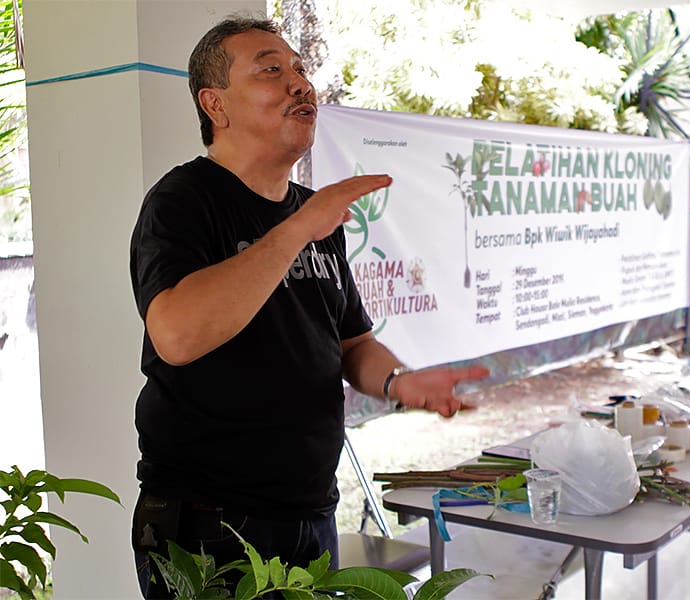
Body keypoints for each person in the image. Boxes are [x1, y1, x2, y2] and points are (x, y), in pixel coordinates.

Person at [129, 15, 489, 598]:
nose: (300, 83)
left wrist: (400, 381)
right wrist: (298, 229)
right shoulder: (183, 201)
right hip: (208, 525)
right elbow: (176, 334)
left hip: (311, 515)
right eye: (271, 70)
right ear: (214, 105)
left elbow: (352, 343)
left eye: (299, 69)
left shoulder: (312, 216)